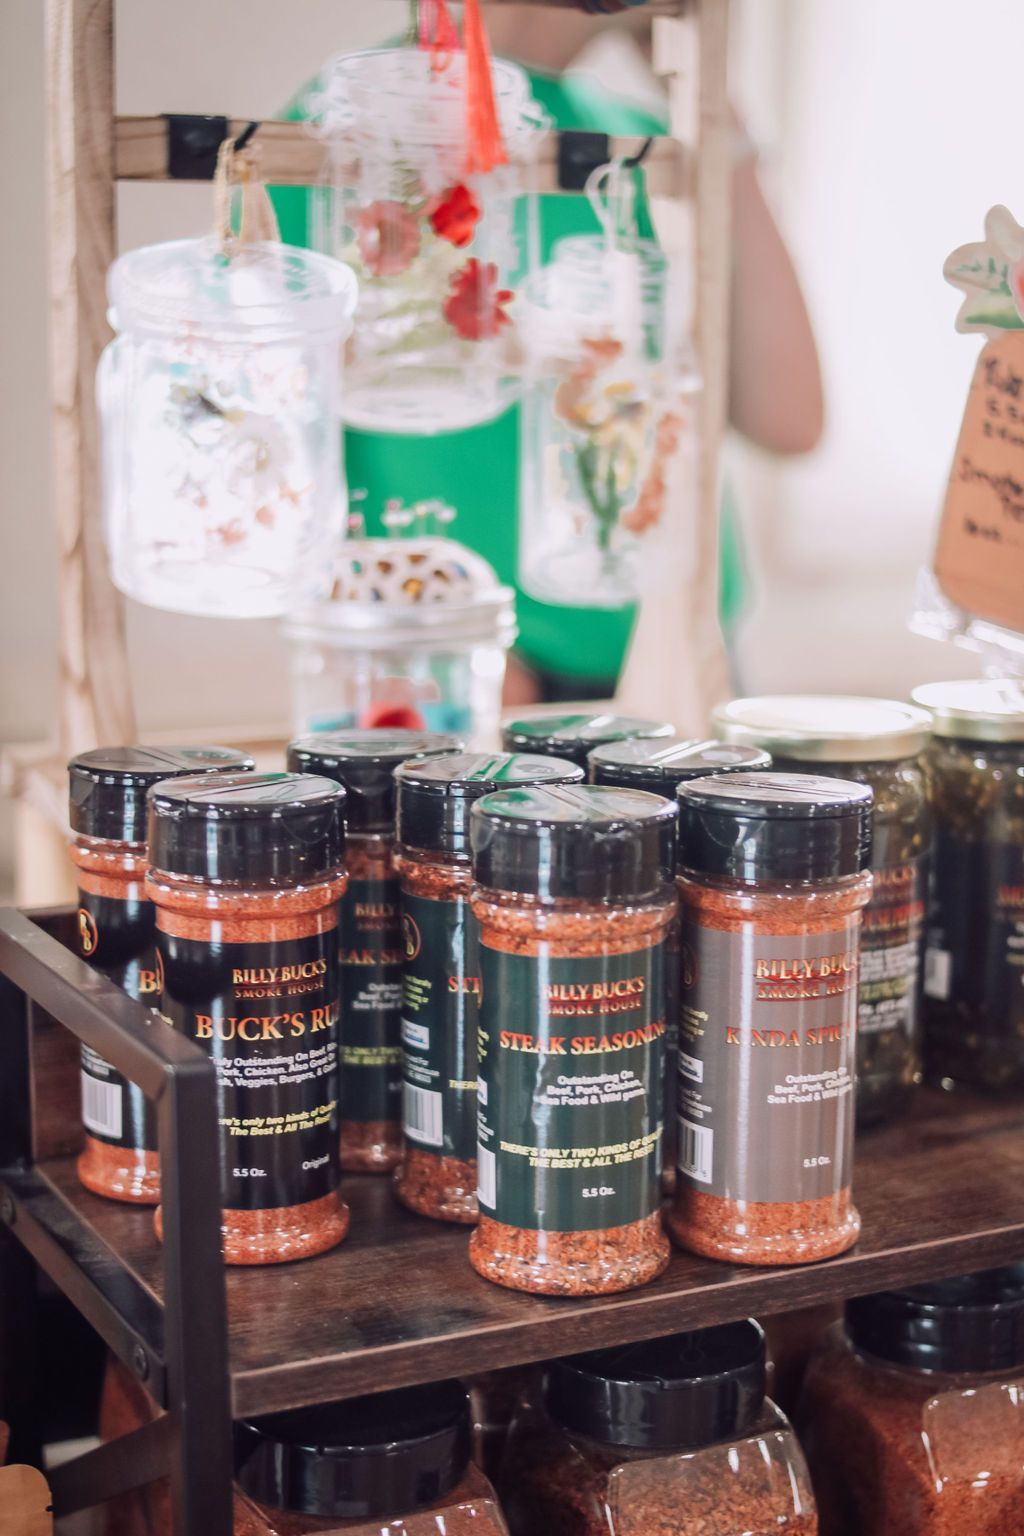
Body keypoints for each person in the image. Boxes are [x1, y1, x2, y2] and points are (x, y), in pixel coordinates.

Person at [272, 6, 823, 703]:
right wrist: (425, 651)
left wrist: (720, 127)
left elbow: (790, 419)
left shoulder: (640, 142)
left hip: (680, 648)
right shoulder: (358, 130)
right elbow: (274, 440)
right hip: (458, 659)